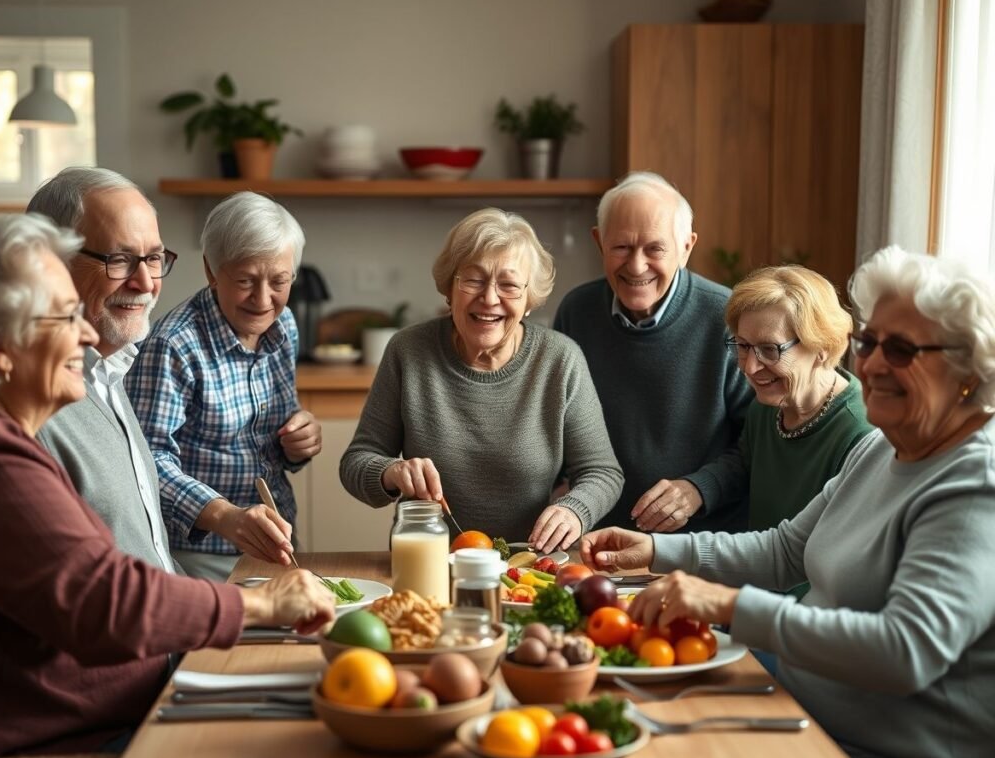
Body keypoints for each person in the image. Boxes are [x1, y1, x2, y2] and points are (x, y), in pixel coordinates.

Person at [582, 245, 995, 758]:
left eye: (901, 350)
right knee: (639, 722)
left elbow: (905, 651)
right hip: (813, 712)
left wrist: (729, 605)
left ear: (967, 368)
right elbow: (784, 551)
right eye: (871, 343)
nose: (870, 364)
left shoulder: (973, 486)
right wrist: (654, 552)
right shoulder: (880, 451)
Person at [0, 214, 334, 758]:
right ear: (1, 347)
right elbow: (106, 600)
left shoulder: (14, 440)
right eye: (66, 316)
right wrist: (255, 605)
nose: (88, 334)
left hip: (130, 707)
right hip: (73, 752)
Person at [340, 207, 623, 552]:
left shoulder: (560, 359)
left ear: (529, 301)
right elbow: (356, 462)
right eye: (473, 279)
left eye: (509, 285)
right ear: (449, 288)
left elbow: (603, 472)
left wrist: (574, 511)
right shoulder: (409, 351)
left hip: (529, 567)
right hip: (429, 564)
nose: (489, 298)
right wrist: (392, 472)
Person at [126, 193, 322, 581]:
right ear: (211, 271)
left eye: (279, 281)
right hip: (197, 554)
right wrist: (225, 516)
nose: (263, 300)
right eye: (246, 281)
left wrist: (300, 441)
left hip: (276, 539)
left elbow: (274, 437)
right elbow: (144, 462)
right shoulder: (174, 345)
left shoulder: (283, 327)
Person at [554, 171, 752, 535]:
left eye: (655, 249)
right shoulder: (576, 311)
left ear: (686, 247)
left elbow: (760, 442)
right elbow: (555, 425)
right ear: (599, 243)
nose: (637, 266)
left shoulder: (730, 319)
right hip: (597, 540)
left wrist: (699, 488)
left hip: (701, 544)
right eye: (622, 247)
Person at [28, 168, 179, 572]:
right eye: (120, 260)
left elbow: (150, 559)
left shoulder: (110, 371)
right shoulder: (31, 407)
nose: (145, 282)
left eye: (153, 258)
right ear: (50, 263)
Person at [725, 264, 873, 532]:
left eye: (770, 349)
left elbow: (840, 561)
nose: (749, 368)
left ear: (823, 348)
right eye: (744, 346)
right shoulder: (765, 407)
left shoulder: (862, 433)